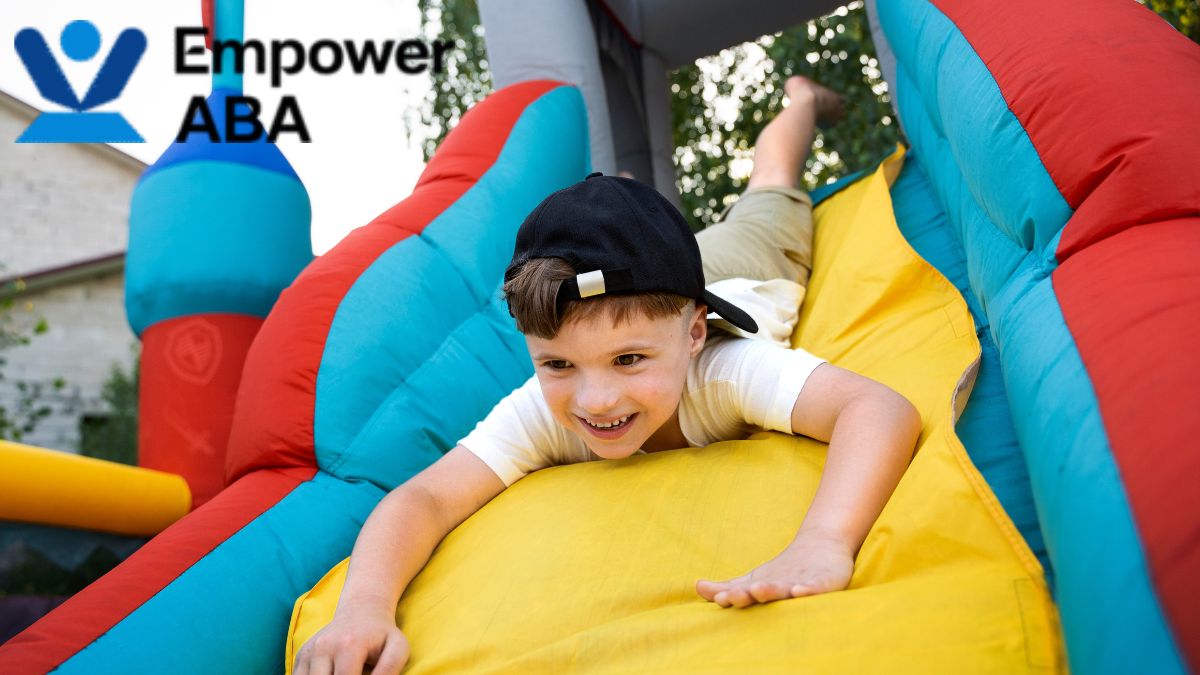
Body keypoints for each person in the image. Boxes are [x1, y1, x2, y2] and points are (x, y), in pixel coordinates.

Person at [292, 76, 921, 675]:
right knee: (637, 249)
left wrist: (825, 540)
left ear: (694, 336)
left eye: (628, 360)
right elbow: (422, 498)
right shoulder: (544, 409)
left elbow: (877, 410)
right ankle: (624, 205)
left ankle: (802, 102)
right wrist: (364, 607)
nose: (595, 400)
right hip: (655, 289)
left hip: (747, 261)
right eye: (558, 364)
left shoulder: (722, 372)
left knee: (770, 181)